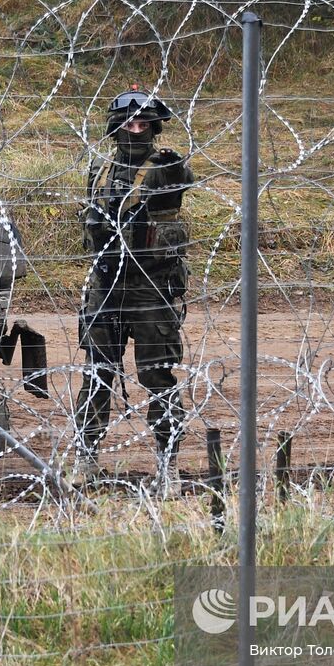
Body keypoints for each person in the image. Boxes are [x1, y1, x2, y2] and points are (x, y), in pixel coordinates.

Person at [76, 88, 195, 489]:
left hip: (150, 287)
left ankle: (168, 465)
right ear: (116, 127)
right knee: (97, 376)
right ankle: (85, 459)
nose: (137, 129)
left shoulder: (163, 166)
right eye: (130, 122)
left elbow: (182, 178)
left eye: (145, 123)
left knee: (157, 376)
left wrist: (174, 168)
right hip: (106, 284)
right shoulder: (100, 169)